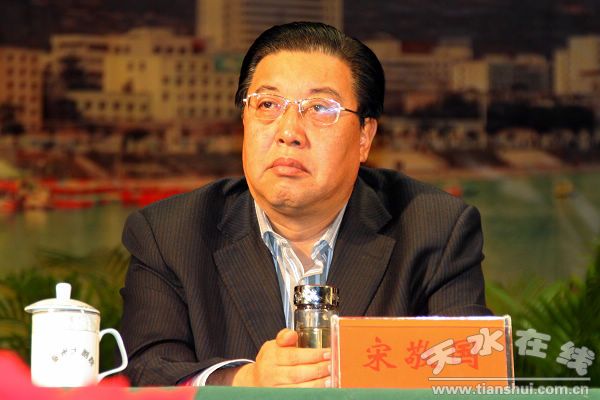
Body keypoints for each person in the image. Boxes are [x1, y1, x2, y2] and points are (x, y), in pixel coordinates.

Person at [119, 21, 491, 387]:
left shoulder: (435, 230)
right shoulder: (169, 235)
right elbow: (148, 372)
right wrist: (243, 383)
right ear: (245, 120)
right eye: (268, 104)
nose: (288, 132)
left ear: (365, 136)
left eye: (320, 108)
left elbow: (470, 375)